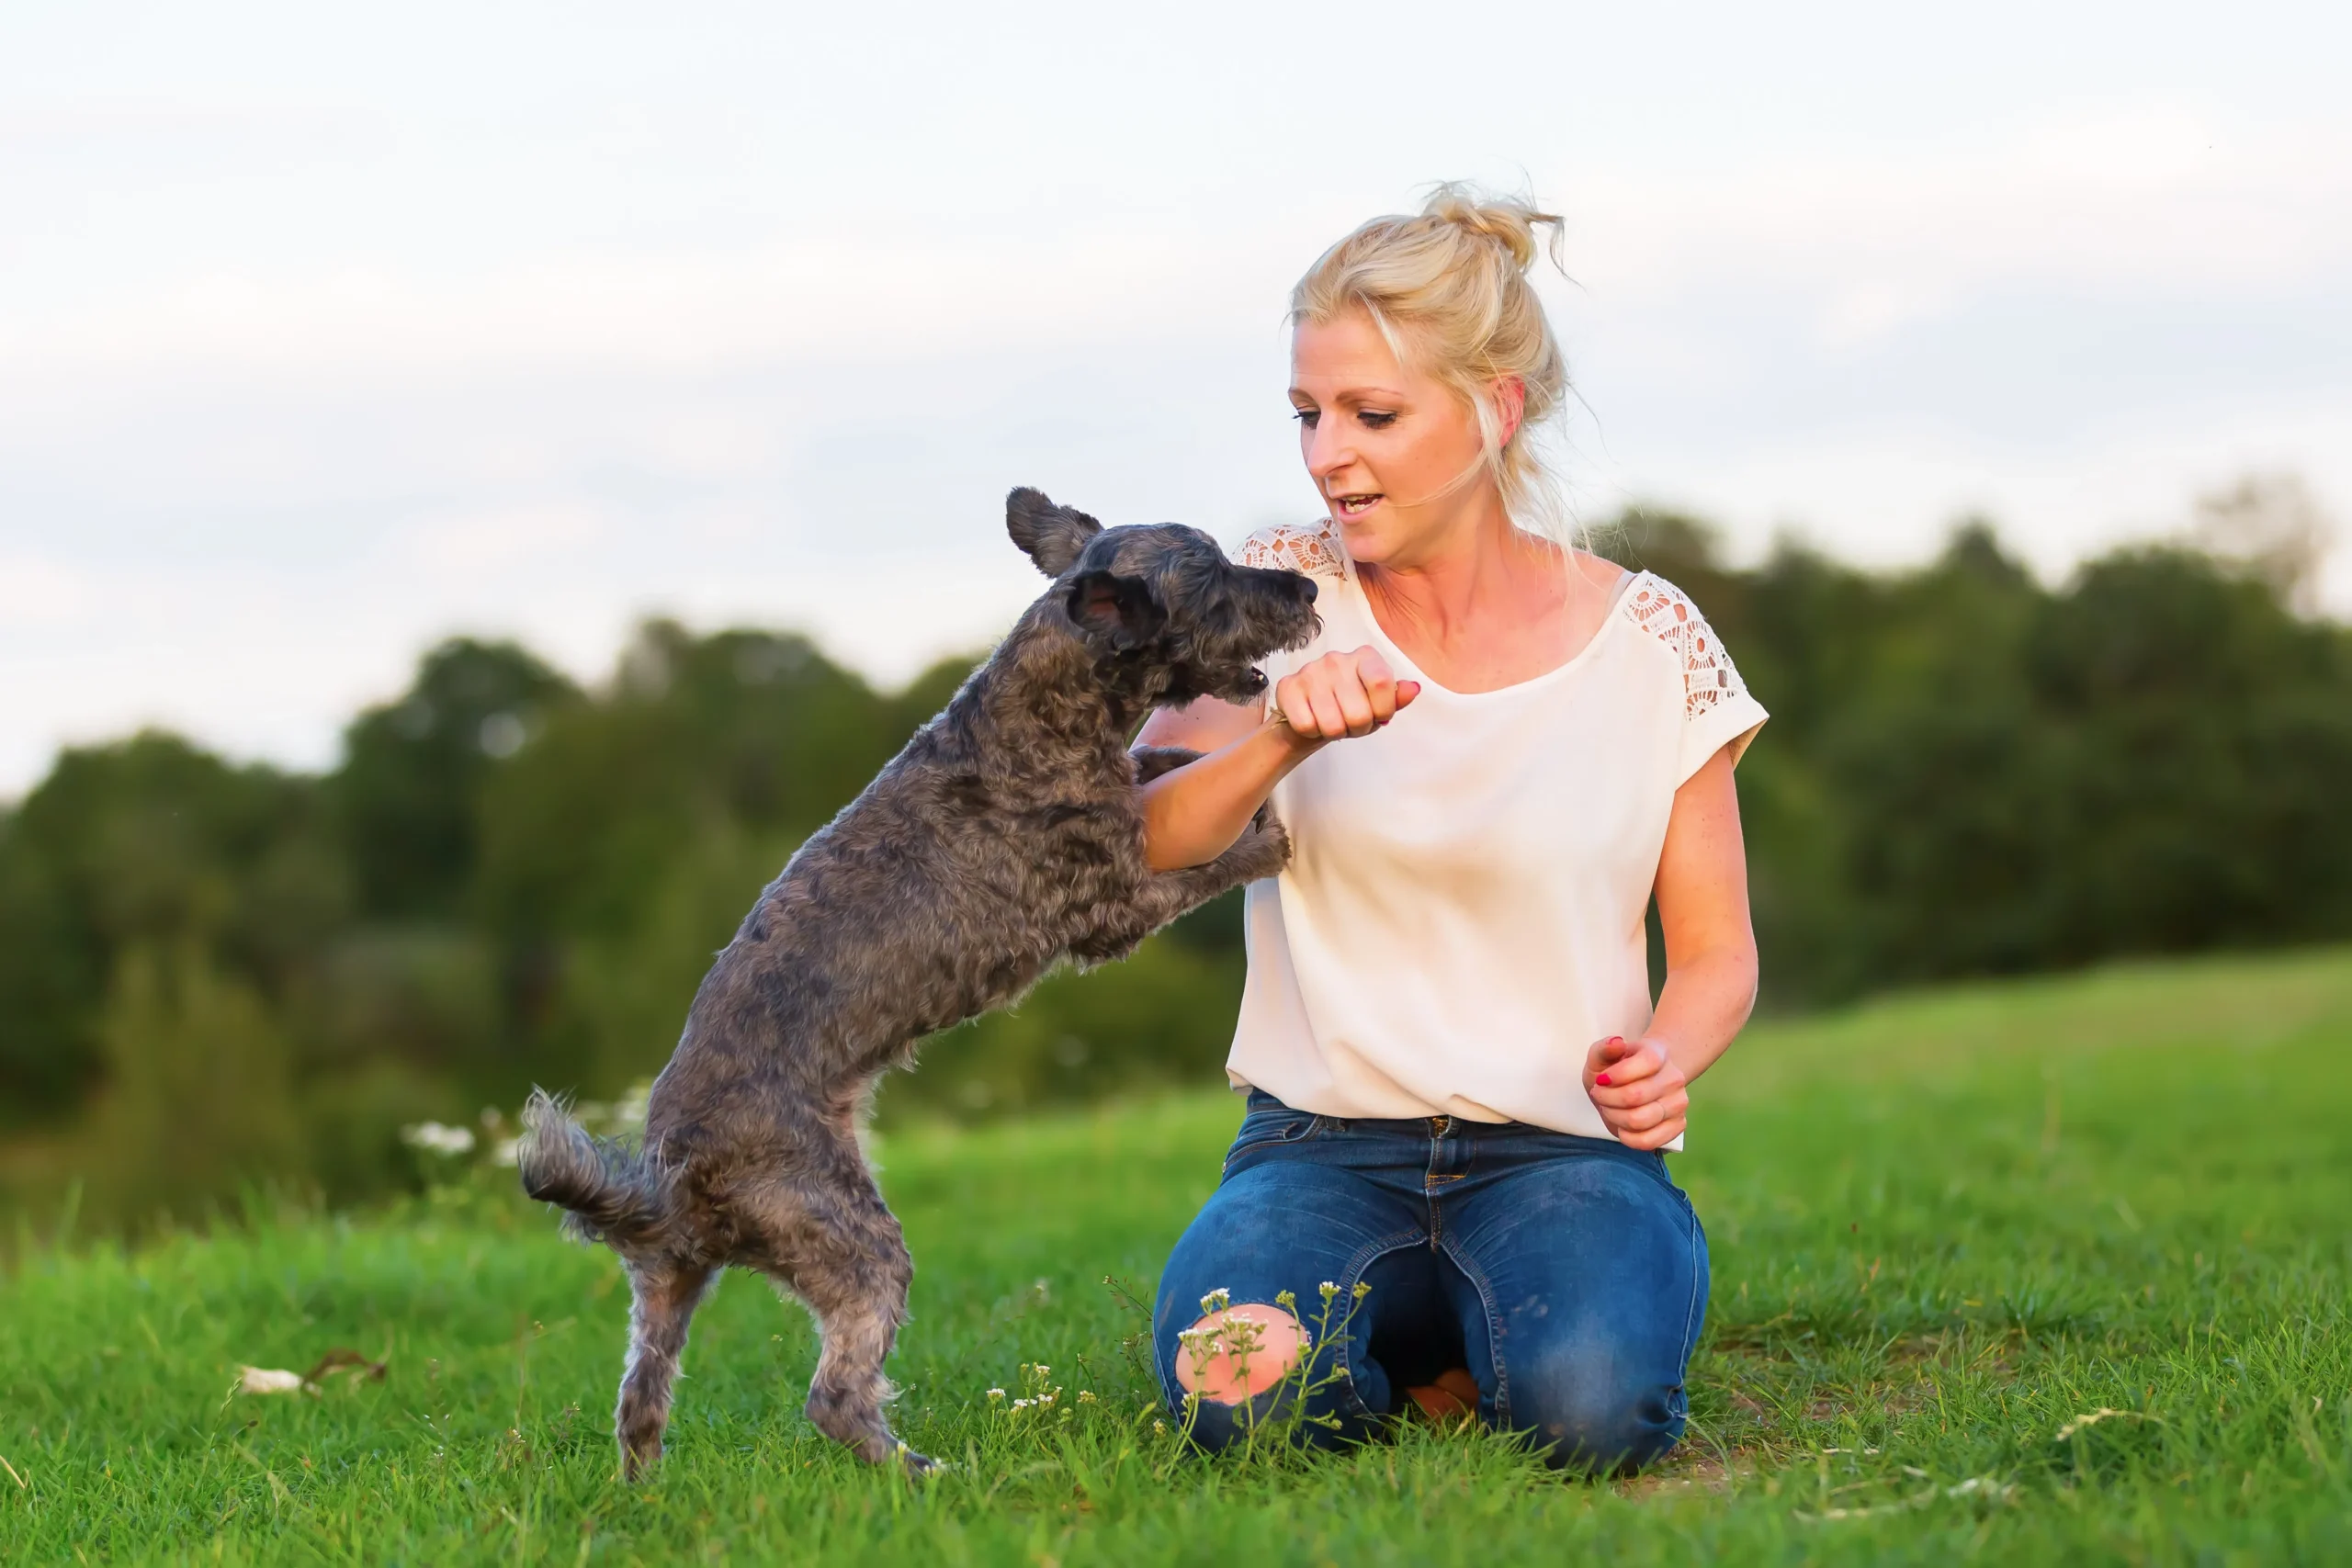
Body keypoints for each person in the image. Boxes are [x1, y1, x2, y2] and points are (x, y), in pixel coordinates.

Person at [1136, 186, 1768, 1474]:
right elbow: (1151, 841)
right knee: (1231, 1390)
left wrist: (1667, 1054)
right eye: (1308, 414)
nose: (1327, 454)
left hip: (1564, 1152)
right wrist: (1281, 743)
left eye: (1372, 415)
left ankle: (1528, 1327)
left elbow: (1715, 952)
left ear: (1497, 409)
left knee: (1592, 1411)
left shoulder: (1652, 641)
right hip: (1314, 1149)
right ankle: (1424, 1354)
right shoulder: (1271, 597)